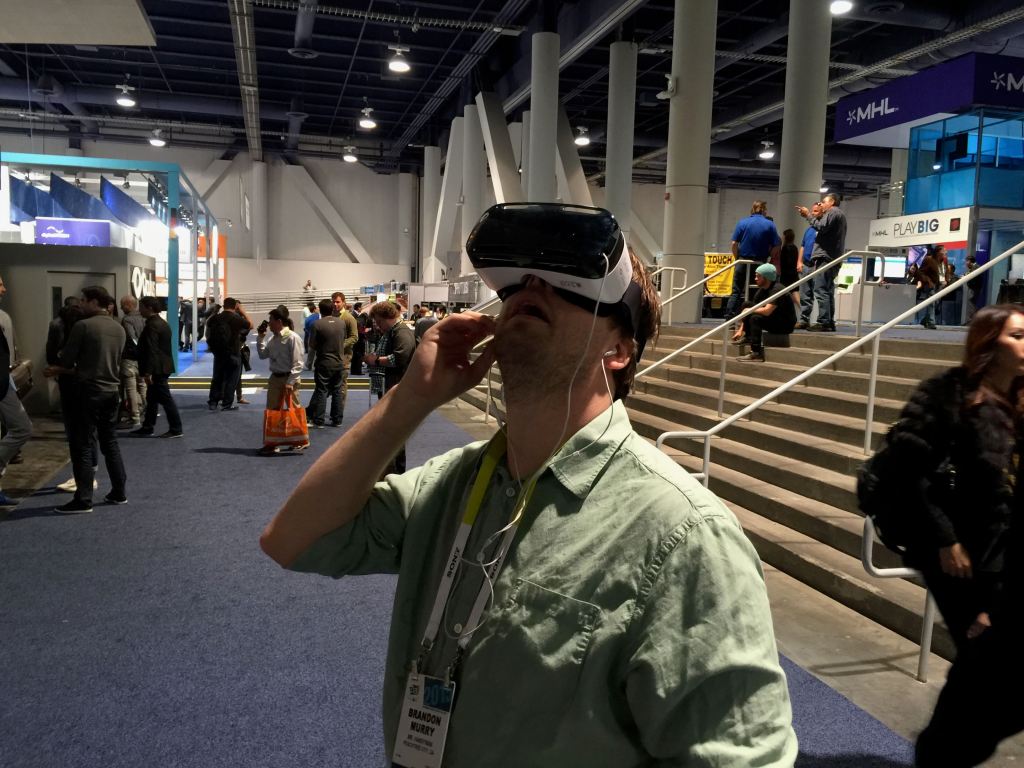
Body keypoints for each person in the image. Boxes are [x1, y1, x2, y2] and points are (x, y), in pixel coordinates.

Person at [259, 203, 796, 767]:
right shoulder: (453, 482)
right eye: (517, 283)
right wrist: (409, 400)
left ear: (618, 350)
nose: (532, 286)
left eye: (566, 285)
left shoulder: (685, 536)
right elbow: (292, 541)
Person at [866, 304, 1024, 766]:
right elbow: (905, 471)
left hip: (1005, 549)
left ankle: (944, 751)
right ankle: (940, 754)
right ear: (988, 345)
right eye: (1017, 336)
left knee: (993, 668)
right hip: (958, 551)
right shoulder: (947, 395)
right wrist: (944, 538)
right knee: (986, 662)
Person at [45, 286, 128, 512]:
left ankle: (83, 499)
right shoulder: (118, 327)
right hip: (112, 391)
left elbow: (67, 361)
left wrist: (58, 368)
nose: (80, 304)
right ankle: (119, 491)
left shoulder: (83, 326)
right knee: (109, 442)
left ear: (93, 301)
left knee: (81, 444)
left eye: (83, 300)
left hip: (87, 391)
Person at [363, 300, 414, 475]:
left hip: (397, 388)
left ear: (386, 318)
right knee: (389, 432)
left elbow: (401, 357)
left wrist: (375, 360)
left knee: (395, 434)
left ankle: (396, 473)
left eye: (378, 321)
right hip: (391, 386)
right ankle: (390, 469)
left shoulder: (402, 332)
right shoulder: (393, 332)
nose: (377, 325)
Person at [0, 275, 32, 507]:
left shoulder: (4, 316)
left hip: (5, 381)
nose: (4, 288)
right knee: (21, 428)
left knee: (21, 428)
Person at [256, 308, 305, 456]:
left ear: (279, 321)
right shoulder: (273, 338)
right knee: (272, 412)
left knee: (294, 410)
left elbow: (298, 363)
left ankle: (301, 441)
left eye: (271, 320)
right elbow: (263, 355)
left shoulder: (293, 337)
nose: (269, 324)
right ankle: (272, 443)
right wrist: (260, 338)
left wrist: (290, 381)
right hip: (275, 378)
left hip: (289, 379)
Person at [133, 296, 184, 439]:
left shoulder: (152, 325)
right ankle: (148, 426)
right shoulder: (161, 323)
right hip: (162, 366)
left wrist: (148, 372)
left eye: (141, 307)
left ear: (149, 308)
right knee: (152, 398)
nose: (139, 310)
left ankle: (176, 428)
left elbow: (151, 349)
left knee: (166, 399)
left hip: (157, 368)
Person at [796, 193, 847, 332]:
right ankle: (829, 321)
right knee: (827, 290)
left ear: (831, 202)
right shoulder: (837, 214)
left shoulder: (833, 212)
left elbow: (822, 227)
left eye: (823, 202)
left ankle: (824, 321)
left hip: (826, 258)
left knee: (821, 289)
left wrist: (808, 215)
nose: (820, 204)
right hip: (831, 257)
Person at [725, 200, 781, 319]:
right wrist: (770, 255)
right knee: (757, 292)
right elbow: (776, 245)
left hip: (742, 261)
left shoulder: (742, 222)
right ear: (764, 210)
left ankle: (729, 319)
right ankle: (752, 317)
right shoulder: (769, 224)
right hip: (759, 263)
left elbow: (734, 243)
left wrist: (737, 258)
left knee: (736, 291)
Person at [732, 263, 797, 363]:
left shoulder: (777, 289)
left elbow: (767, 311)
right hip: (774, 318)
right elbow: (750, 310)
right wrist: (741, 330)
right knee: (747, 305)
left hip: (785, 325)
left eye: (758, 276)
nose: (755, 278)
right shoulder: (762, 290)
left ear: (766, 277)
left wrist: (750, 310)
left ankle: (756, 353)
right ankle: (748, 337)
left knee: (755, 317)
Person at [306, 298, 355, 428]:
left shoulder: (316, 324)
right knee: (338, 390)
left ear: (320, 310)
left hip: (324, 362)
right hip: (339, 362)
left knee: (322, 390)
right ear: (332, 308)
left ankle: (319, 420)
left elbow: (312, 345)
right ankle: (337, 419)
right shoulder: (341, 323)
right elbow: (344, 339)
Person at [205, 297, 252, 410]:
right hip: (233, 352)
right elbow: (250, 325)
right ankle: (226, 404)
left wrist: (215, 312)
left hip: (218, 353)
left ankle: (213, 402)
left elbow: (208, 323)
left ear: (224, 305)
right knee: (232, 379)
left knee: (217, 378)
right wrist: (242, 311)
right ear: (235, 306)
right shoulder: (236, 318)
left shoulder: (217, 317)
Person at [118, 295, 147, 427]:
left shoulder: (127, 320)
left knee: (130, 387)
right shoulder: (143, 318)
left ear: (129, 305)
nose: (120, 307)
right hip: (142, 358)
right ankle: (144, 411)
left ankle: (135, 416)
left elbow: (131, 337)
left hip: (129, 357)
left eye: (122, 304)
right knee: (142, 384)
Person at [795, 203, 821, 329]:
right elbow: (803, 246)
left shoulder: (822, 229)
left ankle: (822, 321)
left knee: (820, 294)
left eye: (816, 211)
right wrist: (799, 262)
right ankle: (804, 320)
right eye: (813, 211)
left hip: (818, 266)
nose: (813, 213)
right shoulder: (809, 229)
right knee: (805, 295)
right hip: (806, 265)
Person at [915, 246, 941, 330]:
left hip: (939, 285)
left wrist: (946, 280)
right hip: (930, 285)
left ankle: (924, 319)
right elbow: (920, 272)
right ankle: (931, 322)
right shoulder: (928, 259)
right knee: (931, 304)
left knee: (935, 303)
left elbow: (945, 272)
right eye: (943, 251)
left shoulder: (943, 261)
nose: (945, 252)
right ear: (938, 252)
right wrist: (928, 281)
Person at [779, 228, 800, 312]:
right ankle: (801, 312)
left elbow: (784, 262)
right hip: (794, 274)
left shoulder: (785, 248)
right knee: (794, 294)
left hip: (786, 275)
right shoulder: (794, 247)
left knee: (787, 296)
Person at [350, 301, 368, 375]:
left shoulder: (357, 315)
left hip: (358, 337)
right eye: (361, 307)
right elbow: (358, 326)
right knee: (357, 354)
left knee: (357, 354)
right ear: (358, 308)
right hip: (358, 338)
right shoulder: (354, 315)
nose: (362, 308)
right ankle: (357, 370)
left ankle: (356, 370)